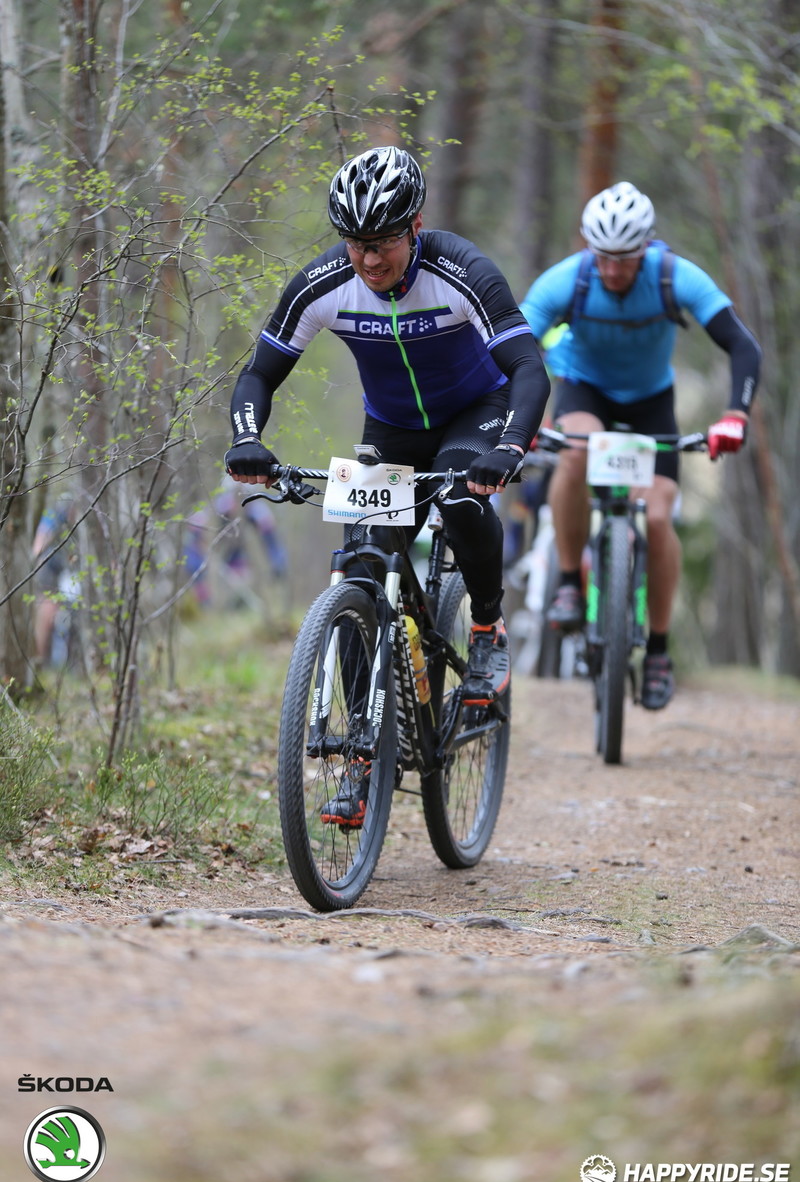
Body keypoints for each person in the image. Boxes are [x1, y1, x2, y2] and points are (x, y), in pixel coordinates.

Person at [224, 145, 550, 823]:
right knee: (361, 570)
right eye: (356, 245)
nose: (370, 261)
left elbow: (526, 367)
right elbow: (258, 374)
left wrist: (510, 445)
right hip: (393, 429)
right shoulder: (322, 285)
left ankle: (486, 627)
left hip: (475, 413)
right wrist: (248, 439)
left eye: (383, 244)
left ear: (415, 227)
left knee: (461, 496)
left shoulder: (461, 271)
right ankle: (362, 761)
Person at [519, 181, 761, 710]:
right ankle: (567, 583)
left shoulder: (675, 277)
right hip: (587, 390)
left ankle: (657, 651)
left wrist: (735, 416)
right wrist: (522, 420)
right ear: (588, 248)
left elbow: (742, 345)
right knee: (576, 451)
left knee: (657, 518)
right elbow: (514, 348)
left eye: (624, 259)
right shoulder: (568, 280)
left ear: (646, 249)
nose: (611, 270)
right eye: (602, 257)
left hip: (653, 401)